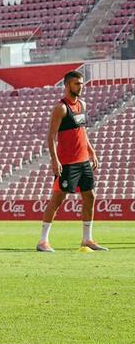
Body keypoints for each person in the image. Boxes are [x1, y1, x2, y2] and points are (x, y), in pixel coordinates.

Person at [38, 70, 105, 252]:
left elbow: (82, 131)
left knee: (90, 196)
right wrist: (55, 160)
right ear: (67, 85)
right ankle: (43, 241)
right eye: (77, 84)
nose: (81, 87)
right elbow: (51, 136)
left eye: (82, 83)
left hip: (83, 161)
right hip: (67, 163)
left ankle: (87, 239)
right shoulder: (61, 108)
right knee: (58, 199)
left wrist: (91, 152)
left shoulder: (82, 104)